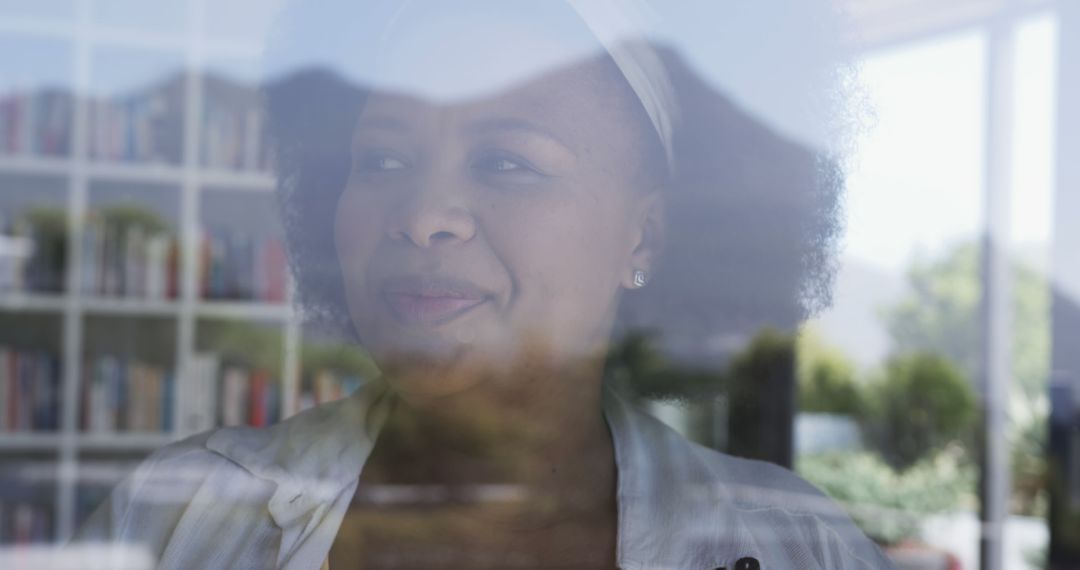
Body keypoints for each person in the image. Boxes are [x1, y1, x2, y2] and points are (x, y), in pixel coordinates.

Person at [75, 1, 893, 568]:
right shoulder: (173, 517)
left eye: (507, 162)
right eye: (384, 160)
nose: (423, 214)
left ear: (643, 232)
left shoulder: (800, 549)